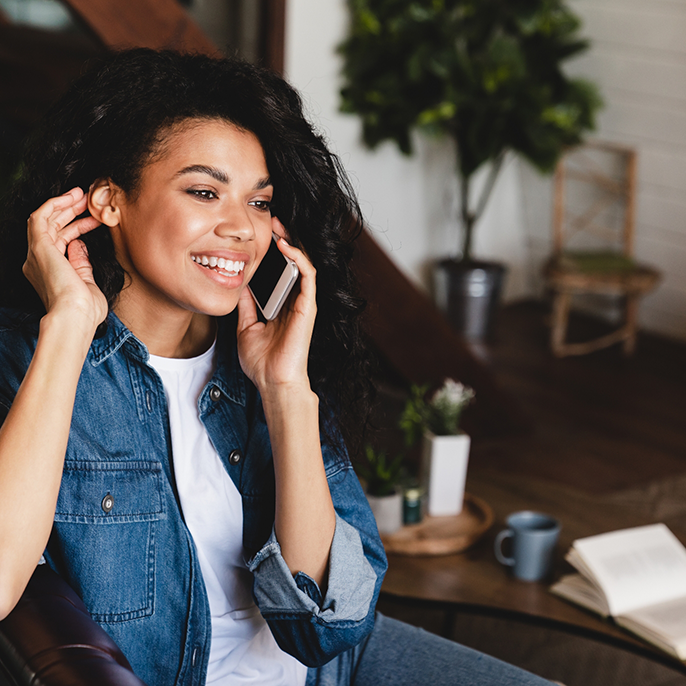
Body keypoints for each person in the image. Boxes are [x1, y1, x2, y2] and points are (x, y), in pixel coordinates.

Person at [0, 49, 555, 686]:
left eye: (259, 203)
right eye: (205, 192)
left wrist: (286, 390)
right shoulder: (29, 362)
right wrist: (69, 326)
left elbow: (330, 626)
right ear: (109, 202)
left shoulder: (259, 356)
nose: (242, 228)